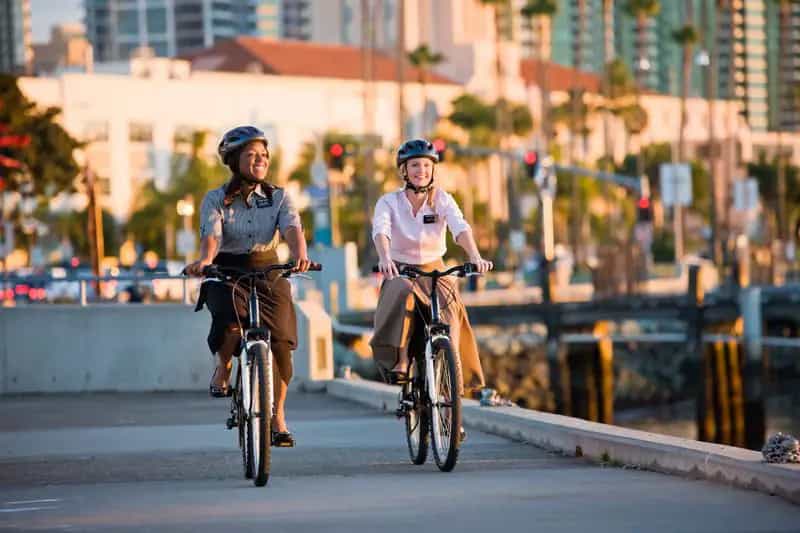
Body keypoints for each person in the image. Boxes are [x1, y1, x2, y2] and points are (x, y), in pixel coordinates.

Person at [185, 125, 311, 447]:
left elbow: (293, 228)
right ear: (233, 160)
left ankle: (278, 416)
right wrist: (205, 260)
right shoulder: (215, 199)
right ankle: (223, 368)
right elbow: (211, 235)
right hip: (227, 269)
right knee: (229, 322)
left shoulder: (279, 196)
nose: (260, 160)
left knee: (282, 344)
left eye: (264, 155)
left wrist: (300, 256)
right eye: (252, 155)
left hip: (269, 269)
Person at [370, 138, 493, 401]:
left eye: (426, 165)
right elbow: (381, 231)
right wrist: (385, 258)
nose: (421, 170)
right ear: (404, 170)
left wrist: (475, 256)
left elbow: (460, 228)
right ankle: (401, 360)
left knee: (450, 312)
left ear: (433, 169)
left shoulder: (443, 200)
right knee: (404, 293)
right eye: (414, 165)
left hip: (435, 269)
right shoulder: (388, 202)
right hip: (400, 270)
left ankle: (452, 397)